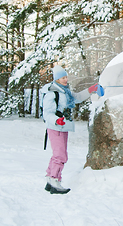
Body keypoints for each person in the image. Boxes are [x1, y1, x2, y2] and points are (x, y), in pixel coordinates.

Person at [41, 65, 103, 194]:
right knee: (60, 155)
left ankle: (50, 178)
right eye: (62, 78)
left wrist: (91, 89)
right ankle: (54, 180)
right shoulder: (52, 92)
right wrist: (56, 120)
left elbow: (78, 97)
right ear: (57, 79)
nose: (65, 80)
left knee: (58, 154)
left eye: (66, 77)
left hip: (63, 127)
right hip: (56, 127)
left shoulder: (65, 91)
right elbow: (47, 113)